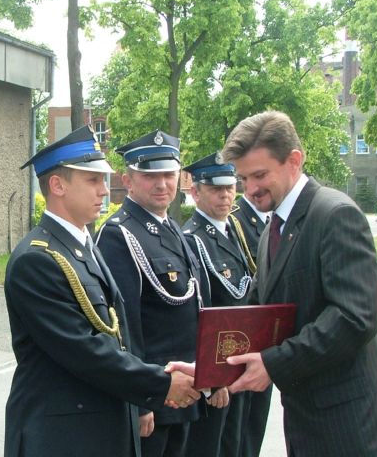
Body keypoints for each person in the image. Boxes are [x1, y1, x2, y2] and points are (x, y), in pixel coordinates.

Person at [222, 110, 377, 456]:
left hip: (350, 429)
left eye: (260, 175)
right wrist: (209, 367)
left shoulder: (335, 214)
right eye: (243, 178)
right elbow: (256, 313)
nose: (249, 190)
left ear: (294, 160)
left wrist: (274, 364)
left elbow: (354, 318)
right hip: (308, 424)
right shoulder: (273, 229)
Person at [4, 125, 201, 457]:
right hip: (61, 437)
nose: (104, 190)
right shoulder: (37, 260)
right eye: (93, 180)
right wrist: (161, 383)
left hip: (99, 424)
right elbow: (84, 350)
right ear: (58, 185)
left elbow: (117, 334)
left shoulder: (82, 246)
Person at [96, 130, 214, 457]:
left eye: (168, 174)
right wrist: (139, 400)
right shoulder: (119, 234)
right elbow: (124, 325)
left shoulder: (172, 227)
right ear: (128, 181)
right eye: (150, 176)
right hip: (155, 393)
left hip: (184, 389)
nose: (162, 184)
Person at [181, 153, 252, 457]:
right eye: (215, 189)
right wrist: (213, 379)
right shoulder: (193, 239)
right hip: (218, 370)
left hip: (242, 361)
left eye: (230, 187)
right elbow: (201, 314)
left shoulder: (234, 229)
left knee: (237, 445)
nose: (225, 195)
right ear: (196, 193)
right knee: (211, 447)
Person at [230, 190, 272, 457]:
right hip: (239, 347)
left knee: (254, 429)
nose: (225, 195)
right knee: (236, 438)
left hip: (265, 343)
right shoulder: (235, 221)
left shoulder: (272, 222)